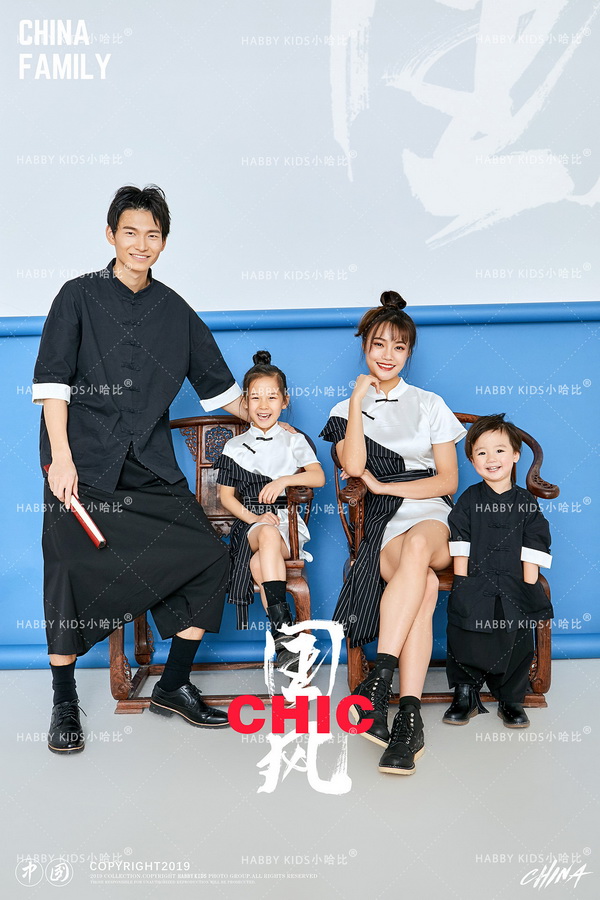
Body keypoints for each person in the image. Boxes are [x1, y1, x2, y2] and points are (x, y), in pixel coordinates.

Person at [32, 184, 279, 753]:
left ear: (164, 242)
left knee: (210, 558)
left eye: (152, 235)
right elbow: (52, 385)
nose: (141, 244)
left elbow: (222, 390)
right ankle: (64, 699)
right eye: (130, 232)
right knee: (65, 568)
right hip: (82, 465)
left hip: (148, 465)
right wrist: (61, 458)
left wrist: (267, 414)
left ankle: (173, 685)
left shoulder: (175, 310)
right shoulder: (76, 296)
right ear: (110, 235)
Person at [320, 291, 466, 775]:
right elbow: (354, 466)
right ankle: (408, 717)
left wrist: (387, 485)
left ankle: (378, 681)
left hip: (433, 516)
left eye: (398, 347)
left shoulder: (429, 403)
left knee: (422, 546)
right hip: (386, 523)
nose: (387, 355)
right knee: (421, 583)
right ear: (365, 347)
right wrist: (357, 402)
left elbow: (448, 481)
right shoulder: (346, 406)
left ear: (409, 353)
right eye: (379, 344)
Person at [214, 351, 325, 672]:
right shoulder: (233, 447)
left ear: (284, 401)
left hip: (288, 526)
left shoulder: (293, 440)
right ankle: (287, 635)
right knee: (265, 533)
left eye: (272, 397)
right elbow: (226, 498)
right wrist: (256, 518)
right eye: (256, 398)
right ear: (245, 403)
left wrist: (284, 480)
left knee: (260, 561)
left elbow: (317, 477)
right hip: (250, 524)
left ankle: (282, 637)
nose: (264, 405)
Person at [443, 413, 553, 729]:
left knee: (517, 636)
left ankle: (510, 698)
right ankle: (465, 692)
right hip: (475, 580)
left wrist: (528, 585)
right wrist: (462, 584)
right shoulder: (469, 499)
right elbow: (460, 540)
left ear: (515, 455)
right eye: (481, 452)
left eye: (500, 450)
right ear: (472, 460)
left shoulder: (525, 501)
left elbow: (535, 540)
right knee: (464, 630)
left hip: (515, 581)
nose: (491, 459)